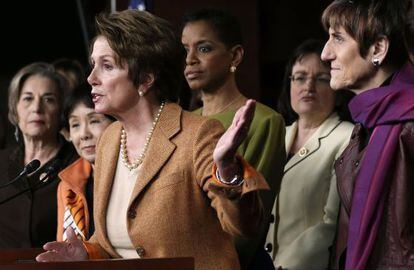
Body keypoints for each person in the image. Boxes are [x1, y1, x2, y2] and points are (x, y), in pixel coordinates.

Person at [36, 10, 269, 270]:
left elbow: (246, 225)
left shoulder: (199, 134)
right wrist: (87, 252)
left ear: (145, 79)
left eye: (107, 66)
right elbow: (113, 243)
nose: (91, 78)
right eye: (93, 65)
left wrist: (227, 171)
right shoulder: (109, 140)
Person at [181, 8, 285, 269]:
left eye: (203, 49)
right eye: (186, 50)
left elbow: (250, 222)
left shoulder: (263, 121)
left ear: (235, 55)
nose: (190, 60)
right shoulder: (183, 121)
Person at [320, 0, 414, 269]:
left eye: (338, 38)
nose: (326, 53)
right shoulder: (369, 123)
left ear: (378, 48)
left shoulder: (408, 126)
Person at [263, 39, 354, 270]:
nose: (308, 87)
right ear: (289, 84)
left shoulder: (347, 137)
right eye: (300, 77)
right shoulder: (276, 135)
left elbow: (330, 224)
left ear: (336, 87)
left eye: (321, 78)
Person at [0, 62, 78, 248]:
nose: (37, 108)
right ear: (15, 108)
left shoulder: (78, 164)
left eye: (48, 99)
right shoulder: (1, 162)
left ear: (60, 111)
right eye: (27, 98)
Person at [56, 84, 115, 242]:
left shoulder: (133, 173)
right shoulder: (67, 185)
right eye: (75, 125)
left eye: (94, 121)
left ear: (118, 122)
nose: (83, 134)